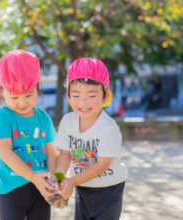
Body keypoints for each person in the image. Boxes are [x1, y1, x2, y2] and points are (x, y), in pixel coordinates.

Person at [54, 57, 128, 220]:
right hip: (83, 186)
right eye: (76, 95)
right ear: (68, 96)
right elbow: (65, 155)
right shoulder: (67, 122)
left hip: (109, 188)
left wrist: (71, 181)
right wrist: (59, 179)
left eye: (92, 95)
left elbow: (102, 165)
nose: (83, 102)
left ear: (104, 96)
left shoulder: (108, 127)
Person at [0, 50, 58, 220]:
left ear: (38, 85)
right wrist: (33, 177)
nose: (22, 102)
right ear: (2, 90)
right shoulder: (2, 116)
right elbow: (5, 152)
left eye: (29, 95)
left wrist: (54, 178)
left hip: (40, 187)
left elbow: (52, 152)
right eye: (14, 97)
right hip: (11, 188)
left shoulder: (43, 118)